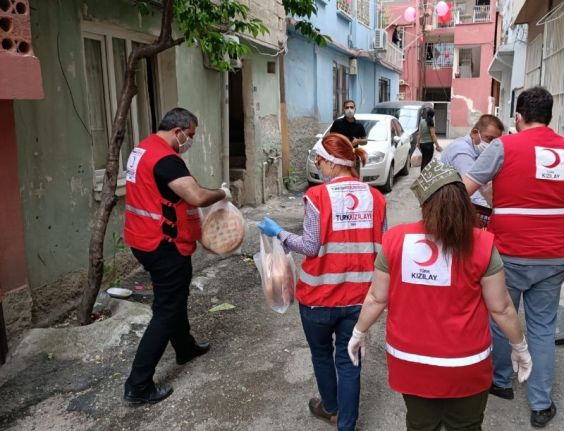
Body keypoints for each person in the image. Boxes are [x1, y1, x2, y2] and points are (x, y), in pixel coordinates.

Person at [347, 159, 532, 431]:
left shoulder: (395, 241)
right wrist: (520, 347)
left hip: (411, 361)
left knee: (421, 424)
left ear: (424, 204)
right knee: (467, 425)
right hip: (467, 363)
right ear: (463, 202)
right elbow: (502, 308)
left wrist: (358, 332)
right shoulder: (481, 244)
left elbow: (377, 298)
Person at [463, 87, 564, 428]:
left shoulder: (503, 146)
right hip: (555, 253)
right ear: (550, 116)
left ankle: (500, 382)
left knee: (502, 315)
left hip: (509, 252)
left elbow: (464, 187)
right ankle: (541, 403)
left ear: (518, 117)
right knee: (543, 327)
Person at [257, 133, 387, 431]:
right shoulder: (377, 198)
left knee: (321, 354)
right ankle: (347, 425)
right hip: (360, 299)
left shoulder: (317, 197)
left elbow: (311, 246)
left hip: (318, 298)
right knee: (350, 359)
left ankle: (330, 407)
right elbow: (383, 249)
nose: (319, 167)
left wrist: (279, 234)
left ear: (331, 162)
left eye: (320, 161)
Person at [122, 108, 231, 405]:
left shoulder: (141, 149)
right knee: (167, 309)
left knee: (174, 296)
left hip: (141, 237)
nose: (190, 140)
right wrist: (221, 194)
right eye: (191, 135)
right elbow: (195, 196)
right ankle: (138, 386)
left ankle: (184, 347)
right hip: (163, 243)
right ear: (178, 130)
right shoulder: (166, 160)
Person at [440, 114, 504, 210]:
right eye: (489, 139)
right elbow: (472, 191)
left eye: (495, 142)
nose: (492, 145)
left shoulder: (473, 150)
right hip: (447, 206)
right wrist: (488, 210)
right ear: (475, 133)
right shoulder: (462, 152)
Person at [416, 107, 442, 171]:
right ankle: (425, 176)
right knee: (427, 162)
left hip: (422, 145)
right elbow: (433, 135)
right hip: (429, 145)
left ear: (427, 114)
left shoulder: (422, 121)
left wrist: (418, 144)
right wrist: (437, 146)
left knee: (424, 160)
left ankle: (421, 176)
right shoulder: (430, 122)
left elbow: (419, 134)